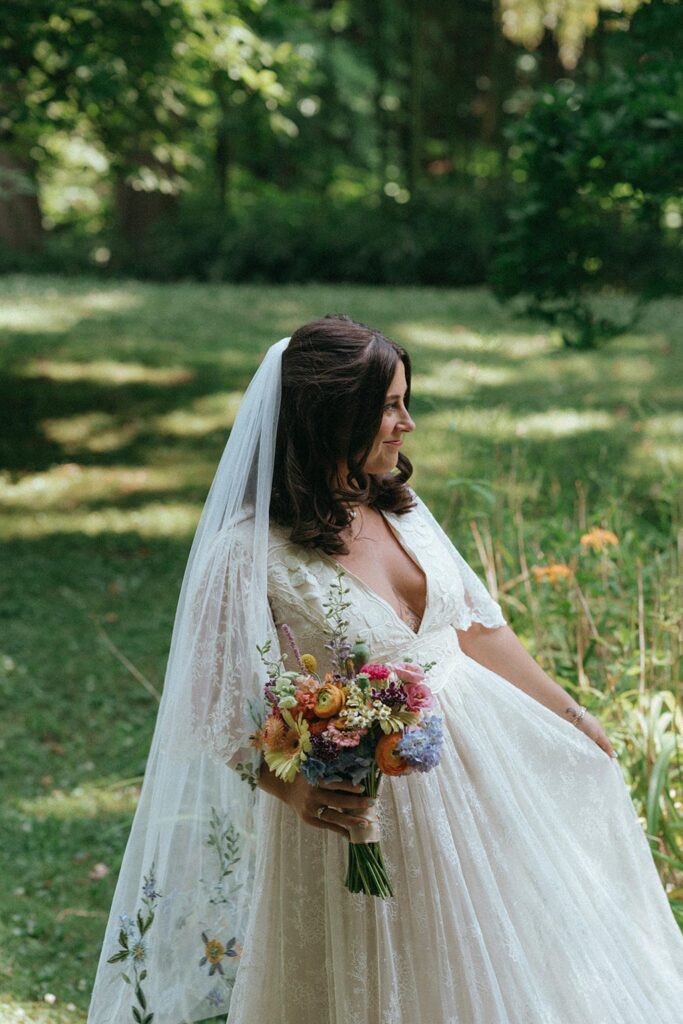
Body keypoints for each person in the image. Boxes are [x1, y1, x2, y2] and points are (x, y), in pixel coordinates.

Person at [88, 316, 683, 1024]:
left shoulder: (401, 509)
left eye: (405, 400)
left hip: (485, 769)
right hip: (367, 813)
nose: (406, 423)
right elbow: (212, 708)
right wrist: (295, 794)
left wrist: (574, 717)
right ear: (329, 415)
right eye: (389, 405)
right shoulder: (248, 554)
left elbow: (474, 629)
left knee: (509, 964)